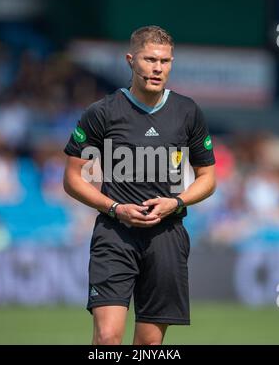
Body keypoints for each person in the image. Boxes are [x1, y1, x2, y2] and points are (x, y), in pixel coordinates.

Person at [63, 25, 216, 345]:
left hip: (167, 236)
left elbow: (208, 178)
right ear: (131, 60)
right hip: (114, 234)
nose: (158, 68)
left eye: (165, 61)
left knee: (148, 345)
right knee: (107, 338)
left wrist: (176, 202)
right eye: (149, 60)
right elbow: (73, 178)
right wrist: (115, 208)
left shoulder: (187, 111)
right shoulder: (101, 112)